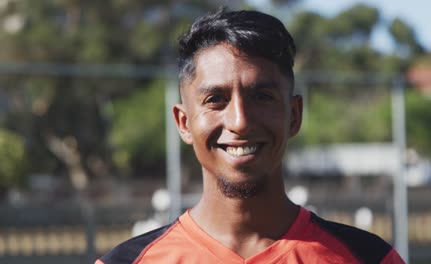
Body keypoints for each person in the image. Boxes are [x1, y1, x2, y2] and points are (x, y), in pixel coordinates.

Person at [96, 9, 405, 264]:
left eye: (262, 97)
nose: (240, 122)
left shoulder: (369, 259)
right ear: (184, 123)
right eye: (216, 99)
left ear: (294, 115)